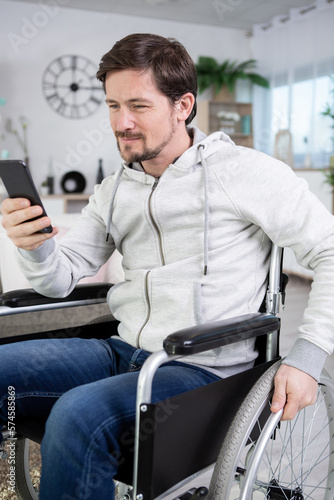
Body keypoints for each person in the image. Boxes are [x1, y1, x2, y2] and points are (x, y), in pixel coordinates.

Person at [0, 32, 332, 498]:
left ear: (183, 105)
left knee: (78, 415)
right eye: (113, 106)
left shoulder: (247, 174)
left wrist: (308, 357)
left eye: (138, 105)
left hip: (201, 368)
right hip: (124, 351)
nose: (122, 122)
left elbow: (330, 248)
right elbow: (59, 281)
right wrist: (34, 245)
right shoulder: (114, 188)